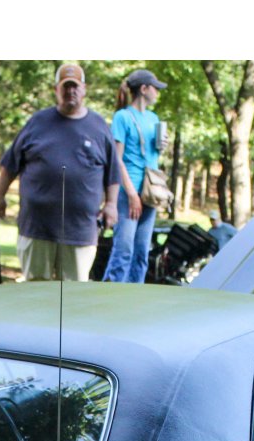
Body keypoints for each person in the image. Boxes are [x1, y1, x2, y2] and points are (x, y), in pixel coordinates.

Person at [0, 63, 119, 282]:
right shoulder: (37, 122)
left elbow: (113, 172)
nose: (71, 91)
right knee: (35, 292)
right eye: (65, 86)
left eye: (75, 86)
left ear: (84, 89)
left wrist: (111, 205)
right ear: (56, 90)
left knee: (72, 297)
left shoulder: (98, 126)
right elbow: (10, 164)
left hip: (79, 231)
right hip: (36, 227)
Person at [102, 69, 167, 284]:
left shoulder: (154, 118)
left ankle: (133, 300)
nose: (158, 92)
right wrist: (131, 193)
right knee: (123, 251)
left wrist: (163, 146)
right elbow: (117, 159)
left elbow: (152, 157)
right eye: (155, 88)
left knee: (142, 253)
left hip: (150, 193)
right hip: (128, 194)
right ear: (144, 89)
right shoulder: (122, 117)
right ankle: (109, 299)